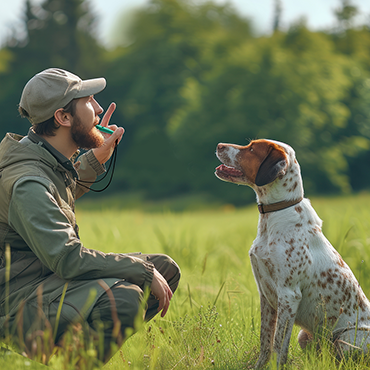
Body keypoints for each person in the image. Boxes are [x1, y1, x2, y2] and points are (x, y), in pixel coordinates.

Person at [0, 68, 180, 363]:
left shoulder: (37, 155)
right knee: (125, 297)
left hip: (43, 282)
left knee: (165, 269)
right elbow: (68, 259)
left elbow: (55, 195)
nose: (98, 109)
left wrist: (94, 161)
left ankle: (63, 352)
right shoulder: (28, 181)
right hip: (14, 305)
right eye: (88, 101)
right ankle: (46, 359)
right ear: (64, 118)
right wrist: (140, 270)